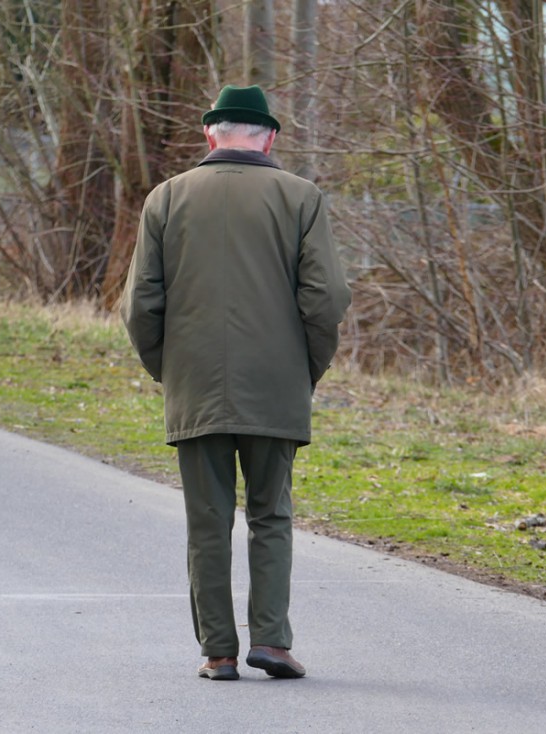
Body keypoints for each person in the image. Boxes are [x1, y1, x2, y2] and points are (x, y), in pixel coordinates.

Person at [121, 84, 351, 681]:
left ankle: (219, 651)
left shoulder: (166, 199)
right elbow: (325, 300)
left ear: (210, 135)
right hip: (277, 383)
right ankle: (272, 641)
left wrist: (168, 370)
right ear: (269, 137)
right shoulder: (302, 198)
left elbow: (140, 306)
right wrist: (306, 368)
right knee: (270, 514)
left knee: (207, 518)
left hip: (193, 381)